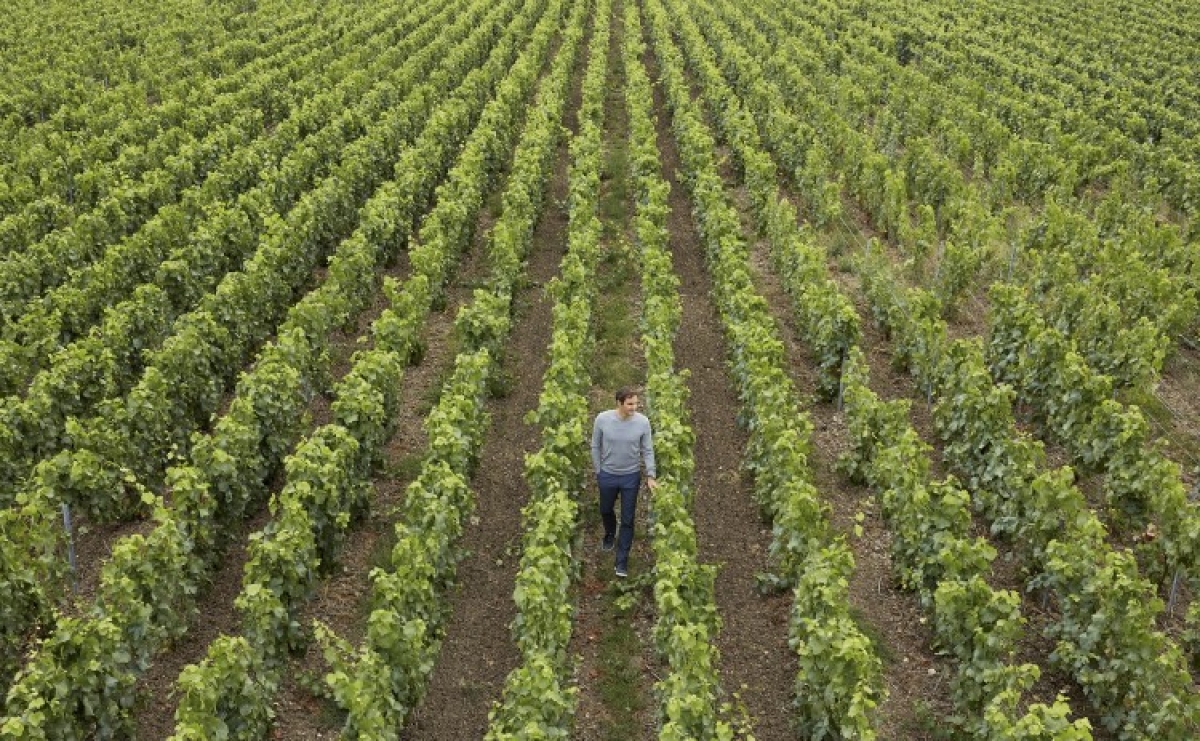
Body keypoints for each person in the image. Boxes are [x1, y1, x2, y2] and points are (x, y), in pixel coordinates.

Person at [591, 386, 657, 577]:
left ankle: (621, 562)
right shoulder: (602, 420)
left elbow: (647, 450)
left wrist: (650, 475)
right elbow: (595, 446)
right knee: (605, 509)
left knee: (628, 519)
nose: (634, 407)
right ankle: (610, 533)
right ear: (619, 403)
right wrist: (599, 471)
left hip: (630, 476)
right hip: (608, 475)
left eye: (636, 403)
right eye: (630, 404)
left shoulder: (643, 423)